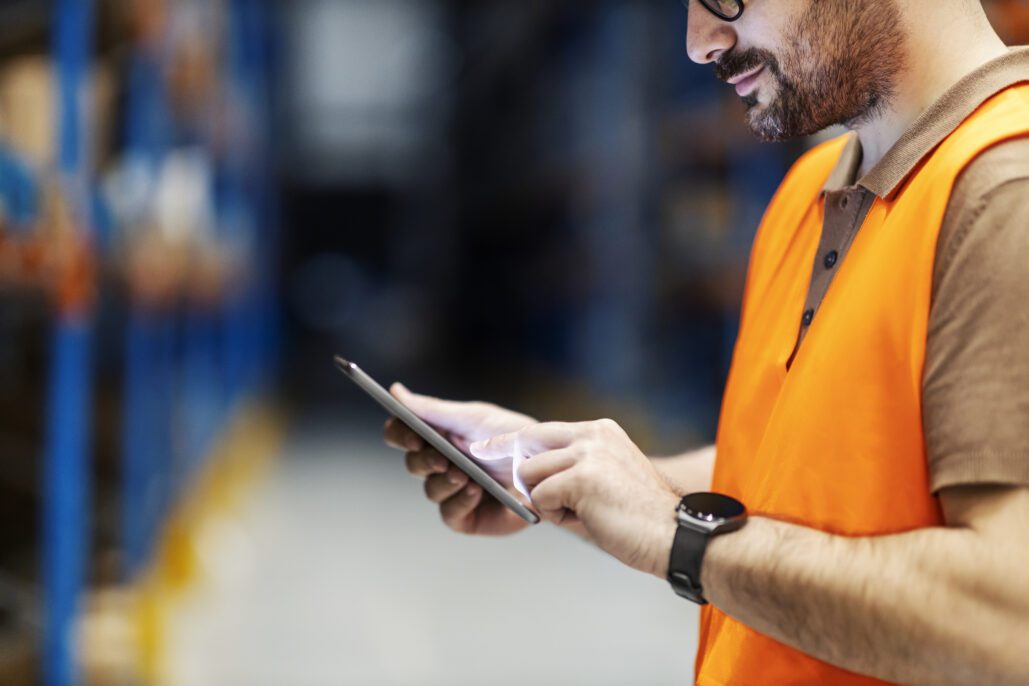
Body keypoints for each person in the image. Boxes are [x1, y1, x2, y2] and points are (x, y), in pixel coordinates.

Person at [384, 1, 1029, 684]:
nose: (698, 43)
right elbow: (810, 474)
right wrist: (569, 473)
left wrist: (681, 536)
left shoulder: (1002, 198)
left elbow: (1007, 617)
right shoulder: (808, 194)